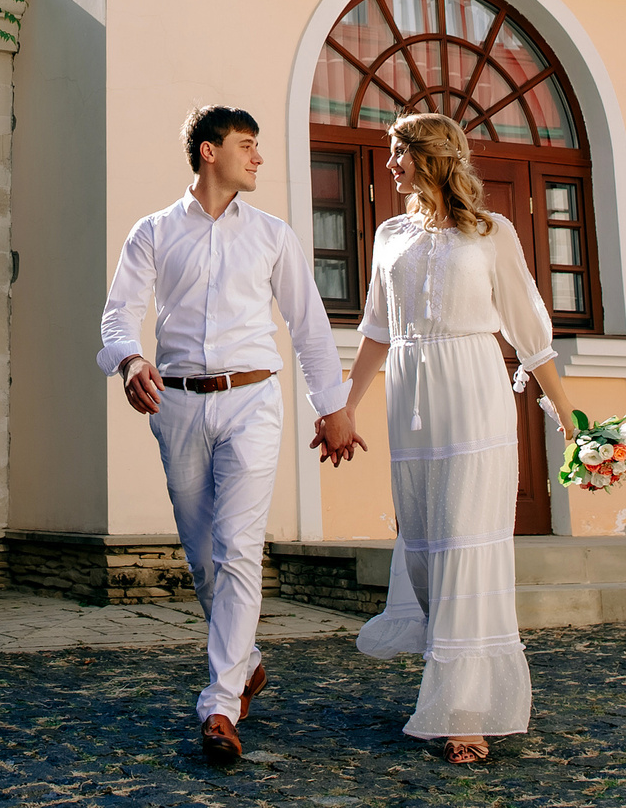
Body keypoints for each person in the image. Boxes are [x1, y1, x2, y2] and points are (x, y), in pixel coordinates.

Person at [99, 105, 366, 767]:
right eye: (247, 145)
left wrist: (333, 408)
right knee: (203, 558)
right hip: (177, 405)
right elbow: (119, 314)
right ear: (209, 151)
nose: (259, 157)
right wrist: (130, 360)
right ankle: (244, 662)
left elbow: (308, 326)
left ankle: (219, 704)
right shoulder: (154, 232)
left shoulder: (274, 235)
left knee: (239, 548)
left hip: (253, 401)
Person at [340, 112, 580, 764]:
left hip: (475, 394)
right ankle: (450, 669)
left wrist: (565, 412)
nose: (390, 164)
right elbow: (377, 330)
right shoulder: (389, 234)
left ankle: (464, 710)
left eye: (398, 153)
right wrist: (343, 408)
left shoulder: (491, 232)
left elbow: (529, 329)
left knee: (467, 544)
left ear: (430, 157)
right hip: (412, 402)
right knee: (425, 547)